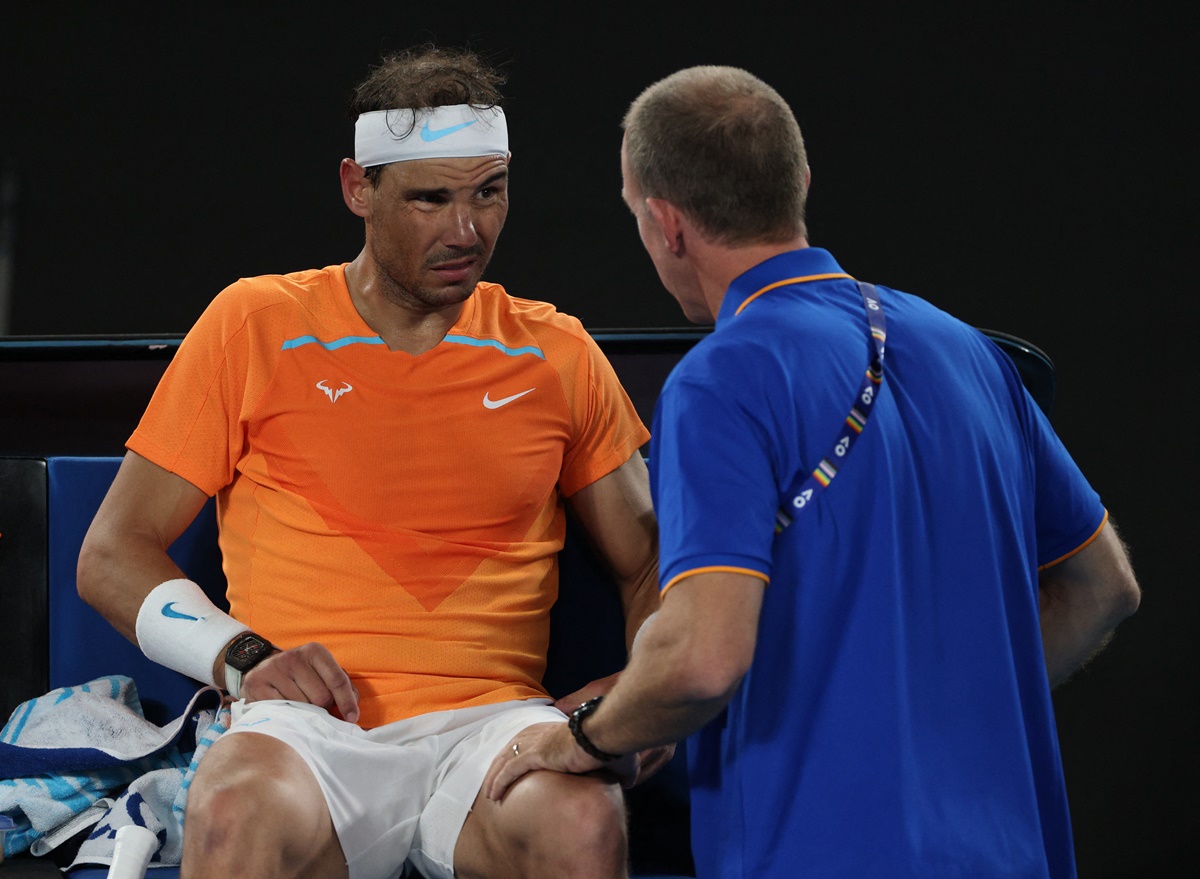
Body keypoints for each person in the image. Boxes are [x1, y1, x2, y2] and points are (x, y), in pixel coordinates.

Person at [484, 65, 1142, 878]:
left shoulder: (720, 377)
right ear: (797, 180)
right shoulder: (970, 352)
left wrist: (580, 735)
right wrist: (950, 718)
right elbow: (1104, 586)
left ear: (666, 224)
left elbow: (701, 657)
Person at [76, 45, 669, 879]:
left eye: (488, 193)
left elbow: (651, 564)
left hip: (490, 727)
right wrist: (242, 657)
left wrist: (632, 706)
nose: (468, 231)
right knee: (234, 801)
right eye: (431, 198)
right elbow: (110, 555)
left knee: (583, 814)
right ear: (359, 189)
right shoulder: (253, 323)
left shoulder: (558, 352)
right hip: (309, 735)